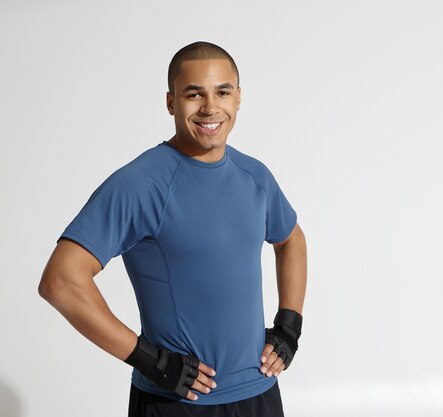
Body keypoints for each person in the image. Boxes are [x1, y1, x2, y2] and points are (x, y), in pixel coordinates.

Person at [39, 41, 307, 417]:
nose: (210, 107)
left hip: (259, 394)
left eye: (222, 92)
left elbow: (291, 239)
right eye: (193, 94)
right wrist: (149, 359)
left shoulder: (255, 176)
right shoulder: (141, 183)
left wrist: (288, 327)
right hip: (176, 402)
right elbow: (60, 280)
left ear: (239, 98)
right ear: (171, 102)